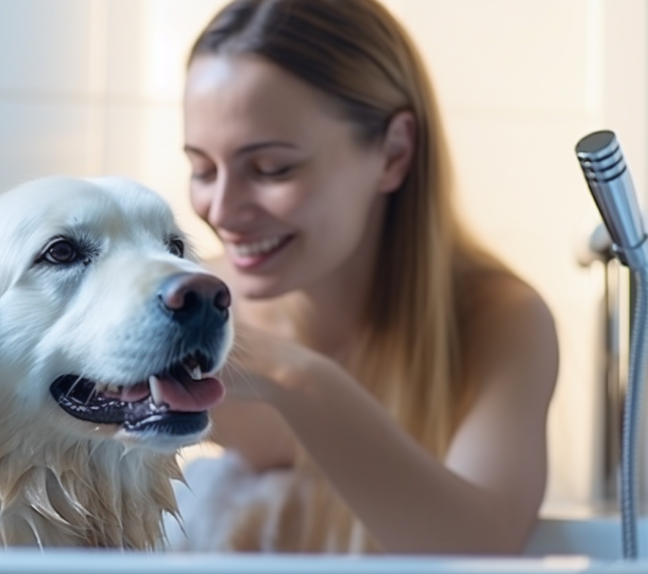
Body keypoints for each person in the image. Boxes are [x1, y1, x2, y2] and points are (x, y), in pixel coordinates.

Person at [173, 0, 559, 555]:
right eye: (203, 170)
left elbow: (481, 547)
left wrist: (291, 374)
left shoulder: (497, 321)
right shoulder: (188, 308)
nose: (222, 210)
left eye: (271, 168)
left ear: (394, 153)